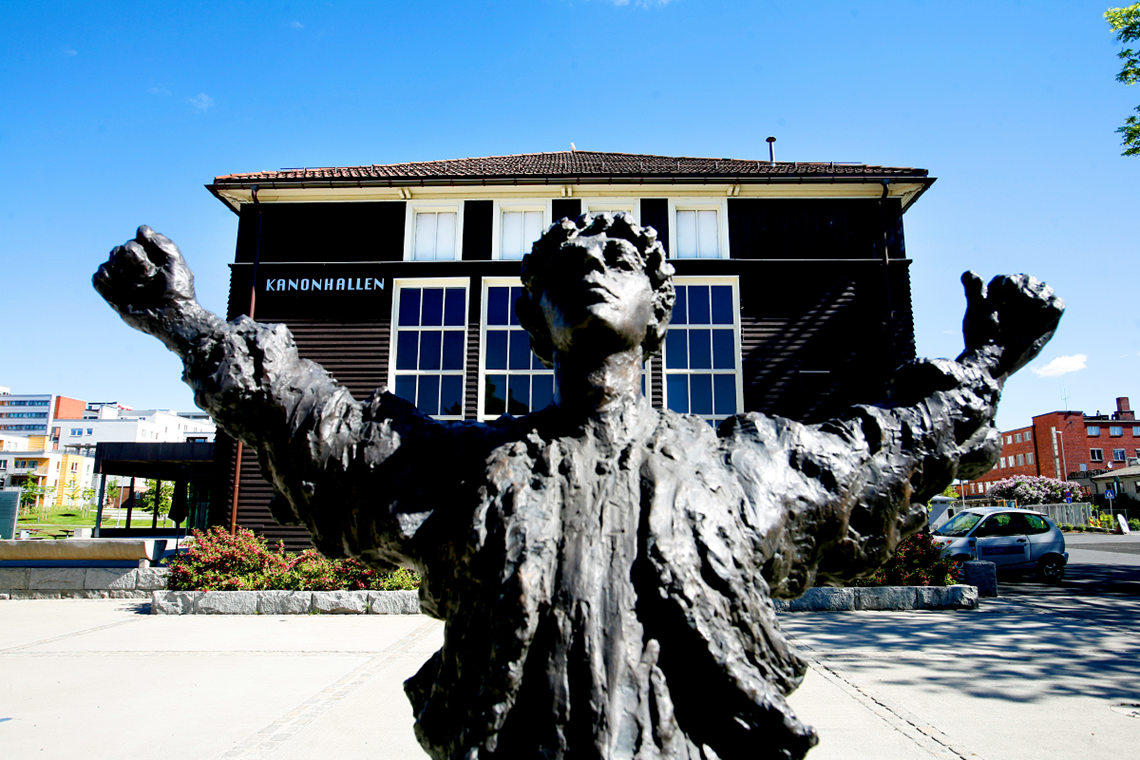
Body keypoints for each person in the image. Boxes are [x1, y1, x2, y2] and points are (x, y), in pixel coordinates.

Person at [94, 214, 1062, 760]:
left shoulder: (740, 462)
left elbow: (875, 452)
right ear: (533, 320)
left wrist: (988, 362)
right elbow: (324, 427)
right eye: (566, 268)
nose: (593, 270)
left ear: (661, 312)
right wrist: (184, 322)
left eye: (619, 262)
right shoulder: (470, 465)